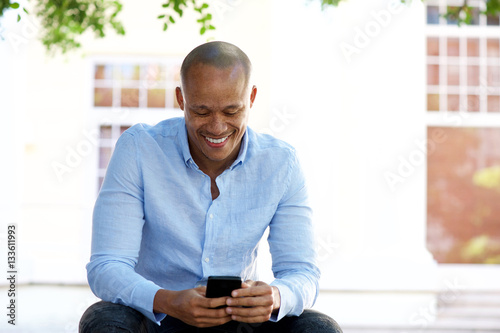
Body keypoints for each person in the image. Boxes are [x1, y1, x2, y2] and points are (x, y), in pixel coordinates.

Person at [79, 41, 342, 333]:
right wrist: (167, 300)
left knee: (319, 327)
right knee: (105, 321)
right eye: (202, 111)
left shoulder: (281, 163)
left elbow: (302, 273)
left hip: (241, 323)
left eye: (232, 111)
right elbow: (106, 266)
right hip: (159, 317)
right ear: (181, 99)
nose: (217, 127)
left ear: (251, 98)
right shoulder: (140, 150)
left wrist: (276, 296)